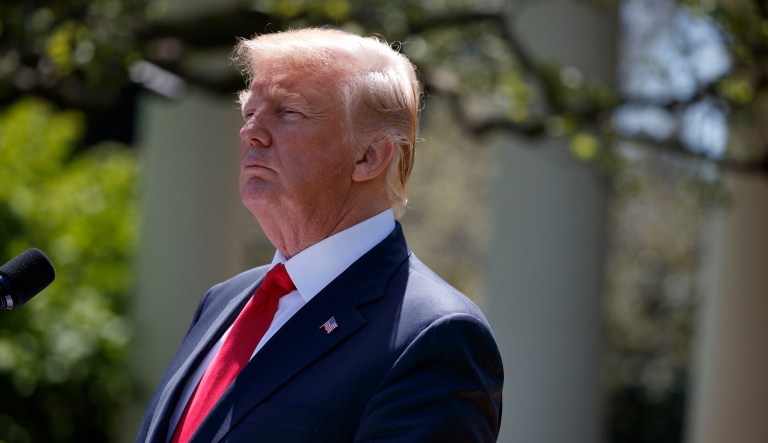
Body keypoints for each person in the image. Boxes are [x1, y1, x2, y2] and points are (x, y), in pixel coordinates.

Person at [136, 27, 503, 443]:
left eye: (288, 112)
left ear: (369, 156)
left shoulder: (434, 334)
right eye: (250, 113)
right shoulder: (222, 301)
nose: (250, 132)